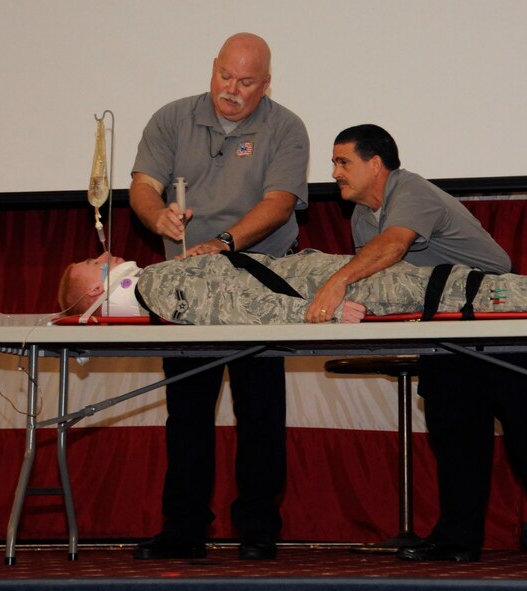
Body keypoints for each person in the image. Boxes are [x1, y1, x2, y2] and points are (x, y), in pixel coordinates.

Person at [306, 124, 527, 564]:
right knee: (456, 440)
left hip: (496, 325)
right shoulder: (362, 216)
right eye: (335, 163)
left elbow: (393, 248)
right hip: (444, 333)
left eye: (343, 162)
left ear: (376, 164)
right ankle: (459, 540)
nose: (335, 172)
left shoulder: (411, 190)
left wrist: (336, 283)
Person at [126, 32, 309, 561]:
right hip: (186, 286)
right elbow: (143, 183)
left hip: (258, 280)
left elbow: (279, 204)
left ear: (266, 83)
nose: (231, 89)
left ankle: (257, 528)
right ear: (213, 69)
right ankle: (184, 529)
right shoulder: (172, 118)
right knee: (187, 411)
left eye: (246, 82)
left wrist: (224, 243)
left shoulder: (286, 127)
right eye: (225, 76)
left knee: (260, 409)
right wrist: (153, 212)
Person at [57, 210, 527, 324]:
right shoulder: (159, 289)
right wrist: (314, 313)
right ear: (95, 290)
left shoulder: (162, 284)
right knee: (452, 288)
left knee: (453, 286)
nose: (106, 254)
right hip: (320, 289)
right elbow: (237, 308)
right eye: (95, 260)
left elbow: (237, 291)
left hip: (320, 277)